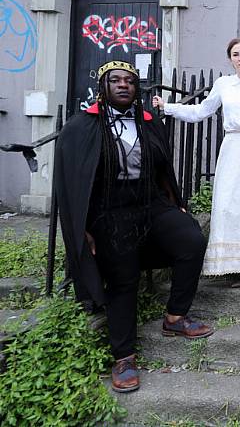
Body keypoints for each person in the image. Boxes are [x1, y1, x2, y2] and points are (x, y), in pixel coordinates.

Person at [54, 60, 212, 394]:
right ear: (103, 87)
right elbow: (71, 186)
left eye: (130, 80)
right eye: (116, 80)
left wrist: (175, 200)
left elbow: (163, 166)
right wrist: (81, 227)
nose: (124, 85)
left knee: (191, 239)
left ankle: (175, 317)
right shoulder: (82, 127)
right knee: (122, 276)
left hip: (148, 201)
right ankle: (123, 356)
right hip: (108, 209)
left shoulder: (148, 122)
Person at [152, 38, 240, 288]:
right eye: (235, 54)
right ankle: (235, 263)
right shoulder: (224, 85)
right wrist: (168, 107)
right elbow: (201, 111)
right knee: (230, 202)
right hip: (234, 147)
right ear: (231, 59)